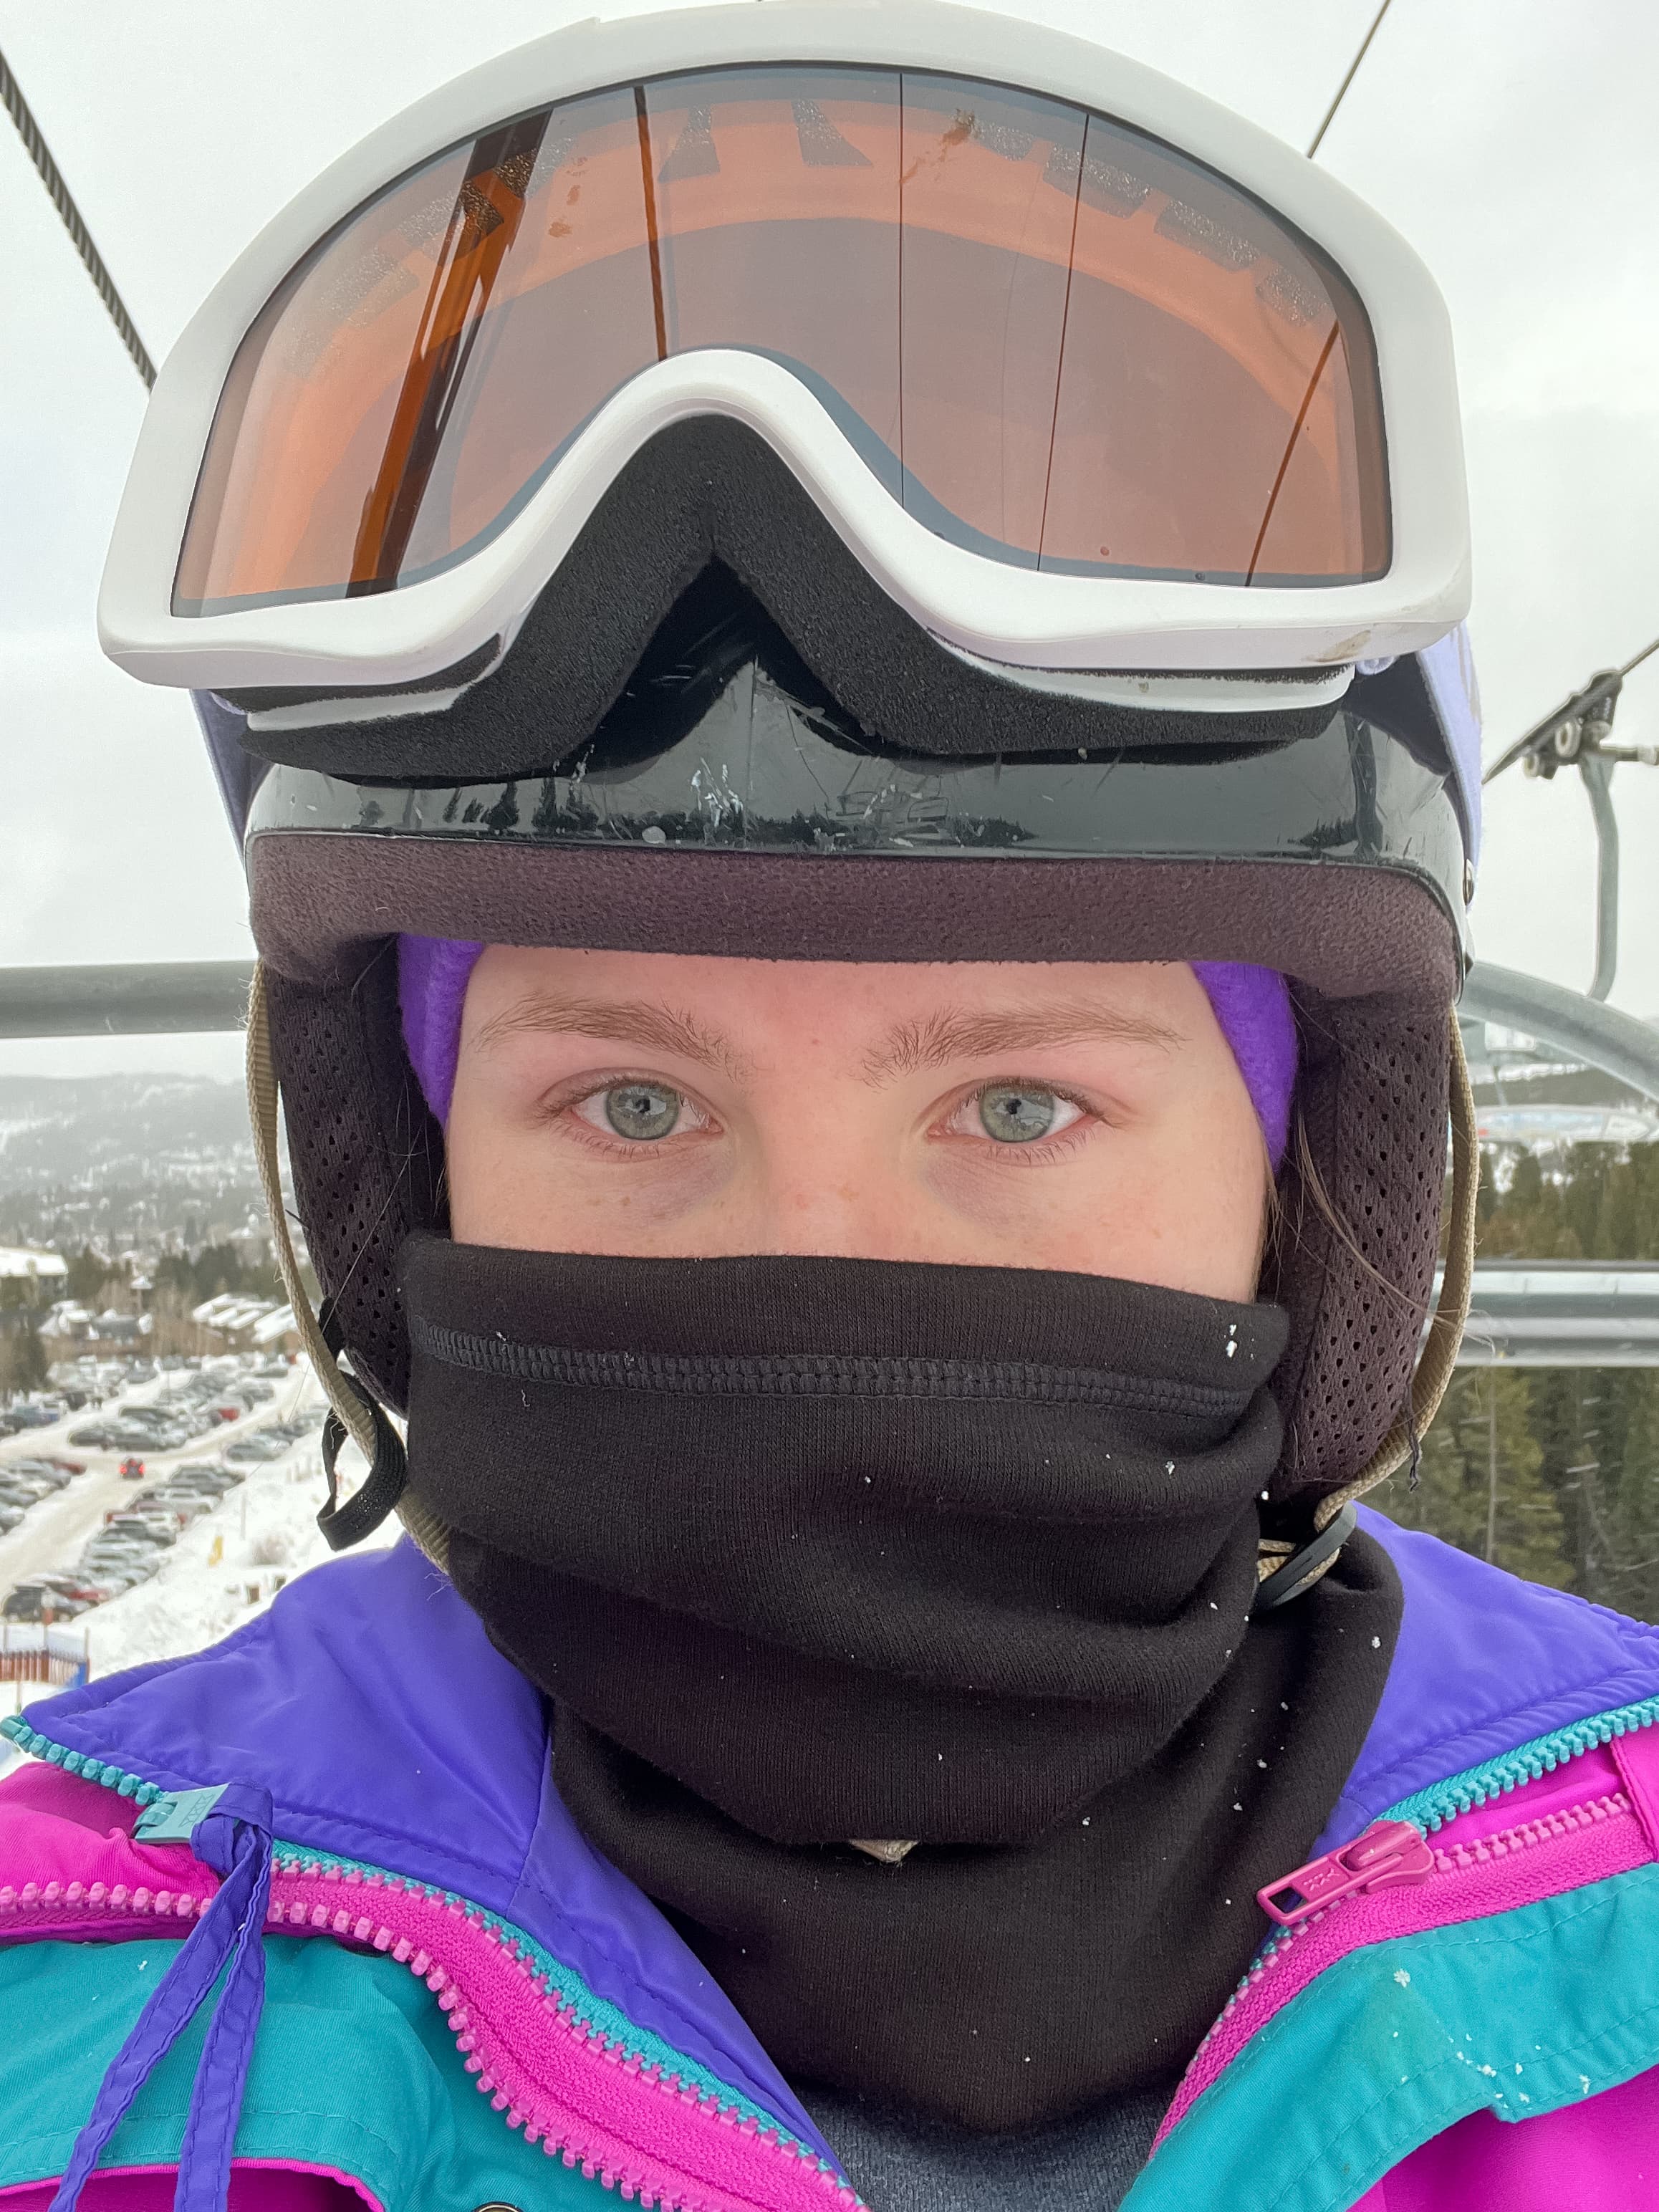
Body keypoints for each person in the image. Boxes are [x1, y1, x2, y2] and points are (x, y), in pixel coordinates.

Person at [6, 6, 1659, 2208]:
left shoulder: (1612, 1896)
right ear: (402, 1181)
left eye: (1013, 1110)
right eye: (623, 1103)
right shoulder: (89, 1988)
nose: (822, 1258)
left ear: (1300, 1200)